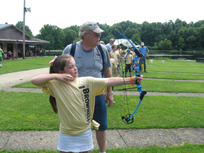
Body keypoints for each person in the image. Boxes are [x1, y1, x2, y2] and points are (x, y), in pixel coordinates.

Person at [31, 54, 143, 153]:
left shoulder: (86, 81)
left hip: (84, 132)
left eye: (75, 65)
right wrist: (56, 76)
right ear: (61, 72)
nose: (75, 69)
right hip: (66, 133)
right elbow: (34, 80)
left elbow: (109, 81)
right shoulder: (55, 84)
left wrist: (132, 79)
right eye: (71, 67)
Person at [62, 21, 113, 153]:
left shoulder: (102, 49)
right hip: (76, 97)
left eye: (99, 34)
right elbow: (59, 72)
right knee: (78, 126)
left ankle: (103, 152)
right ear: (85, 35)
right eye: (96, 34)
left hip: (98, 96)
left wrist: (110, 93)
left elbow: (107, 73)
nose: (99, 37)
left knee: (101, 126)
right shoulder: (70, 49)